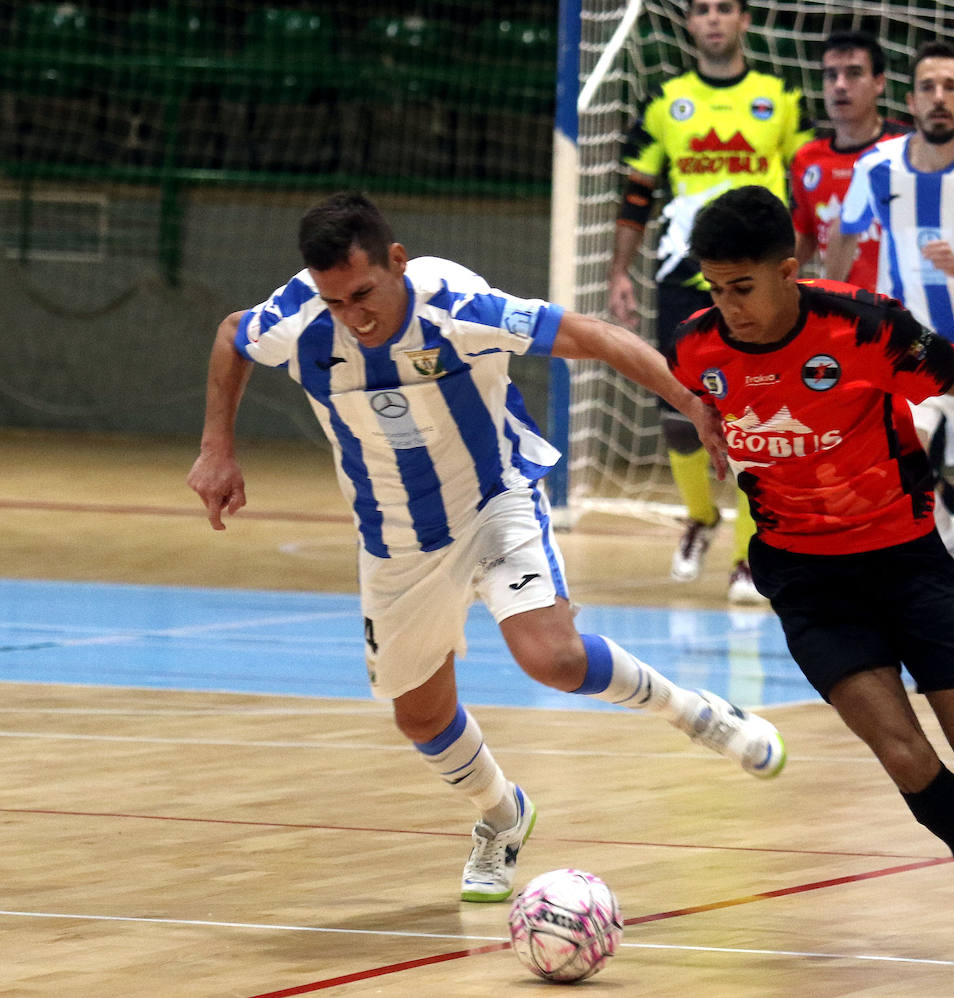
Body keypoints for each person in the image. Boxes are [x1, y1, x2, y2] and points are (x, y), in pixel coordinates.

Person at [186, 191, 786, 906]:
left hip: (493, 501)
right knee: (421, 717)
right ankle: (504, 817)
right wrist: (216, 447)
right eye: (336, 302)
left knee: (553, 658)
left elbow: (591, 334)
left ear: (397, 262)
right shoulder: (302, 319)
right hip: (394, 538)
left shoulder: (460, 309)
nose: (353, 316)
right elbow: (232, 333)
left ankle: (697, 713)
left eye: (363, 294)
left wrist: (689, 400)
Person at [670, 185, 954, 972]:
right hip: (804, 578)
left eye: (743, 287)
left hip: (904, 560)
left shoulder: (865, 327)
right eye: (714, 289)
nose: (727, 307)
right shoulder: (697, 344)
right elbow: (698, 391)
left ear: (789, 271)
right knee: (904, 756)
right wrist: (708, 423)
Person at [827, 41, 954, 678]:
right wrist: (820, 311)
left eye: (951, 86)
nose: (938, 97)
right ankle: (948, 547)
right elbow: (842, 241)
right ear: (911, 98)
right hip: (909, 355)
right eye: (928, 86)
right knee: (889, 470)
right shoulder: (879, 166)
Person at [607, 0, 813, 604]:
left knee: (760, 416)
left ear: (744, 20)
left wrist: (801, 267)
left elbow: (805, 190)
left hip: (762, 276)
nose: (714, 19)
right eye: (702, 10)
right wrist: (621, 271)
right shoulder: (667, 101)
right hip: (684, 271)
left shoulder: (781, 98)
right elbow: (638, 194)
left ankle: (751, 557)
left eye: (725, 8)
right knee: (678, 414)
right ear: (691, 24)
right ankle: (701, 515)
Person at [790, 30, 908, 290]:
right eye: (831, 75)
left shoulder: (908, 148)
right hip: (844, 310)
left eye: (854, 73)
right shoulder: (807, 159)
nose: (840, 85)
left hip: (907, 311)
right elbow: (805, 235)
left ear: (879, 83)